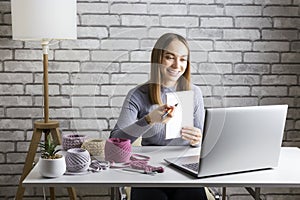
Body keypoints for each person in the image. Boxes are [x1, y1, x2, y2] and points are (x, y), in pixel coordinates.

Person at [110, 33, 207, 200]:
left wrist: (198, 139)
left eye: (183, 59)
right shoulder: (138, 95)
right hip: (149, 171)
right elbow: (114, 146)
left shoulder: (194, 92)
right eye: (170, 57)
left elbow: (205, 143)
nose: (177, 65)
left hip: (184, 171)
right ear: (157, 59)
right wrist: (148, 120)